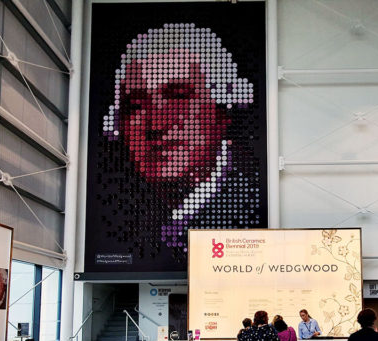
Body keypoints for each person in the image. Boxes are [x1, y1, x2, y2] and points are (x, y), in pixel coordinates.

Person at [99, 23, 263, 263]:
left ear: (222, 110)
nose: (155, 124)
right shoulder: (117, 217)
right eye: (134, 106)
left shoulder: (251, 197)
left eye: (178, 97)